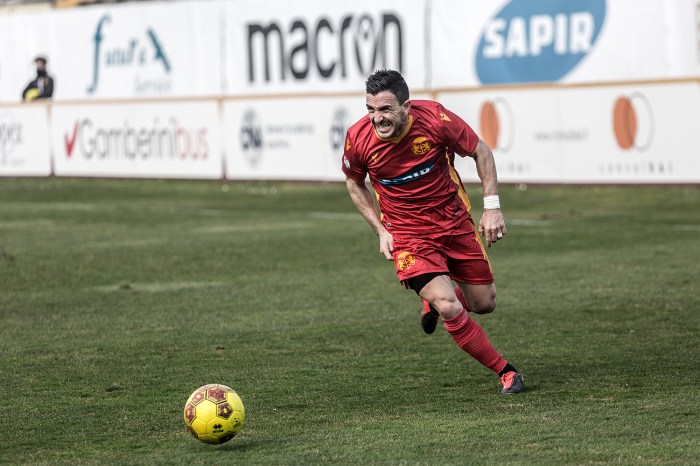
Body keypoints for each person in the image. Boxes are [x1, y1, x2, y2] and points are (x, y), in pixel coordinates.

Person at [342, 69, 524, 395]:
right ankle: (506, 371)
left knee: (484, 303)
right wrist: (381, 230)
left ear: (406, 107)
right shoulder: (358, 137)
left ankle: (433, 304)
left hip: (453, 222)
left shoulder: (436, 119)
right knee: (450, 305)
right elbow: (354, 182)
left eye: (385, 109)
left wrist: (492, 207)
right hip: (408, 234)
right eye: (371, 109)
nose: (377, 118)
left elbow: (481, 151)